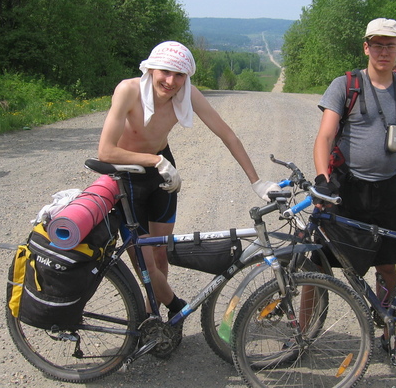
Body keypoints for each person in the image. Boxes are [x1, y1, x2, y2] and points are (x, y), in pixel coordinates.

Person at [98, 41, 279, 321]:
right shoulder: (129, 91)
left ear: (187, 77)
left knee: (160, 252)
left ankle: (153, 315)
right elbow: (106, 151)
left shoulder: (187, 94)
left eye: (179, 75)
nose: (171, 82)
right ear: (151, 69)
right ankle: (173, 305)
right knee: (143, 262)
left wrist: (256, 182)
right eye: (165, 72)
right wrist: (156, 161)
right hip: (130, 176)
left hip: (160, 170)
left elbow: (227, 135)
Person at [313, 18, 396, 368]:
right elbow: (325, 136)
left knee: (386, 266)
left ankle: (389, 332)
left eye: (391, 45)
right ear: (366, 47)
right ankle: (304, 333)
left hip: (387, 191)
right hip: (347, 189)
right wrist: (323, 177)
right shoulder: (346, 85)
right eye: (378, 44)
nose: (384, 51)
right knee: (317, 261)